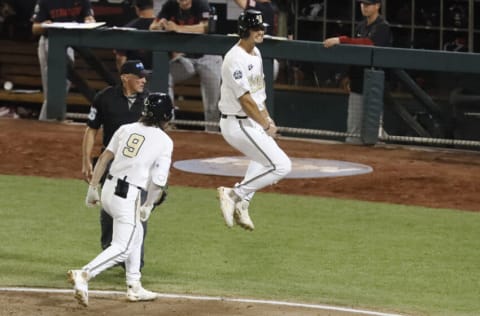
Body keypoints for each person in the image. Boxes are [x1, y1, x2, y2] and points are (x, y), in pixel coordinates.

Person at [68, 92, 174, 307]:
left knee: (137, 233)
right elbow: (159, 182)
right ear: (166, 116)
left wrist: (92, 188)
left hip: (108, 189)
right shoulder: (164, 141)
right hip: (128, 195)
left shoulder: (126, 128)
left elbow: (105, 157)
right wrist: (148, 204)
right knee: (123, 247)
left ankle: (134, 286)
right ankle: (85, 274)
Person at [216, 9, 291, 231]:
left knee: (261, 158)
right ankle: (232, 193)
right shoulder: (234, 59)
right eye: (256, 28)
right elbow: (246, 101)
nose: (261, 32)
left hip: (250, 120)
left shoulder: (256, 54)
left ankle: (242, 203)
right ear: (245, 30)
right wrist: (264, 124)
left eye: (262, 28)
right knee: (281, 166)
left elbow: (258, 94)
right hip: (237, 123)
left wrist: (267, 118)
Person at [82, 60, 150, 269]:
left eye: (143, 76)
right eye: (138, 76)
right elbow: (92, 129)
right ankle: (110, 251)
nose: (143, 80)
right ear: (124, 77)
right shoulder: (104, 98)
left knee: (138, 213)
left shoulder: (149, 101)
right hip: (111, 163)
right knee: (110, 209)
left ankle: (134, 260)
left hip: (140, 165)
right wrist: (86, 160)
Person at [323, 0, 392, 144]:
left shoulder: (382, 27)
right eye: (363, 4)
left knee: (374, 133)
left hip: (374, 85)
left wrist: (341, 40)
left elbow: (369, 44)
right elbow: (354, 53)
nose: (364, 7)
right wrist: (348, 75)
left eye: (369, 4)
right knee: (353, 134)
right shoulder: (361, 25)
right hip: (358, 81)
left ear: (377, 5)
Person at [149, 0, 222, 132]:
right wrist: (159, 26)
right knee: (164, 75)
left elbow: (205, 27)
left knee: (212, 103)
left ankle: (212, 133)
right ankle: (168, 122)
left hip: (209, 56)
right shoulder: (170, 5)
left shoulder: (201, 4)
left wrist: (177, 28)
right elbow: (152, 26)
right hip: (186, 57)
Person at [31, 0, 95, 121]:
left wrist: (89, 20)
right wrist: (44, 25)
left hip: (70, 43)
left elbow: (89, 18)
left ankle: (50, 121)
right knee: (52, 88)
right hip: (49, 42)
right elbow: (35, 28)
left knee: (61, 85)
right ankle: (50, 121)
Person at [115, 0, 155, 72]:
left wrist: (124, 78)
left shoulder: (127, 28)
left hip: (136, 77)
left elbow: (120, 58)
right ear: (152, 6)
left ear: (137, 8)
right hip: (162, 76)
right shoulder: (165, 26)